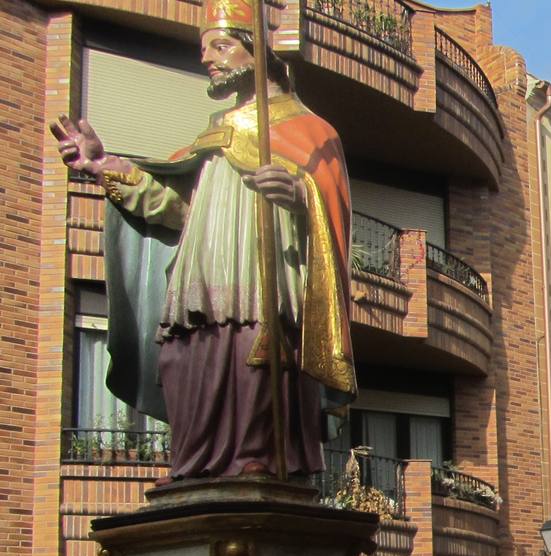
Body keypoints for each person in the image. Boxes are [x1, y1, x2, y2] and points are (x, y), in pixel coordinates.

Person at [51, 0, 355, 479]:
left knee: (252, 366)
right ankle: (199, 468)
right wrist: (101, 166)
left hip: (260, 287)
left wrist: (302, 195)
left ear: (255, 53)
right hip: (199, 289)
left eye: (221, 45)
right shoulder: (214, 137)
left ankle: (259, 460)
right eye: (205, 48)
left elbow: (333, 218)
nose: (207, 58)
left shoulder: (310, 132)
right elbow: (177, 211)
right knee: (184, 363)